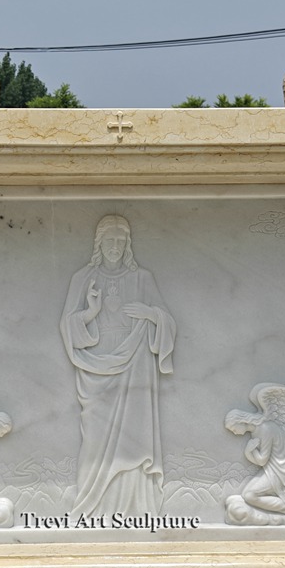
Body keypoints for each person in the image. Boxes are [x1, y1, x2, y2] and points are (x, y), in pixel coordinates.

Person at [60, 215, 176, 518]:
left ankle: (139, 509)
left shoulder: (143, 279)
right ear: (99, 243)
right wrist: (91, 312)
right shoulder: (83, 279)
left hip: (136, 364)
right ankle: (91, 508)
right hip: (95, 369)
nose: (114, 247)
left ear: (127, 245)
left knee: (134, 439)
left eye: (120, 241)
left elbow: (167, 321)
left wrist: (151, 314)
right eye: (109, 241)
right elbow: (68, 326)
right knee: (95, 438)